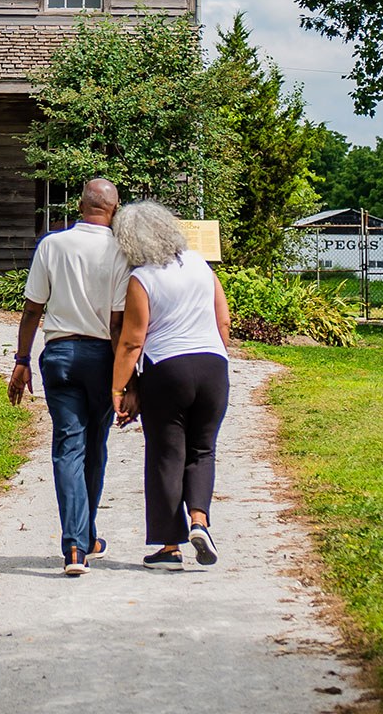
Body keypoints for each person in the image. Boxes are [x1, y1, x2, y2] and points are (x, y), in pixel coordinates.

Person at [7, 178, 129, 576]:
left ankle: (77, 546)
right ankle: (85, 536)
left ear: (80, 205)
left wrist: (22, 359)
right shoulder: (120, 251)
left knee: (67, 448)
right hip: (102, 355)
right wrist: (125, 376)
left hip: (59, 355)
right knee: (96, 447)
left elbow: (31, 309)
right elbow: (117, 321)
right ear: (114, 208)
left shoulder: (52, 245)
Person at [110, 200, 231, 570]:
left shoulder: (142, 279)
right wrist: (213, 360)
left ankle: (169, 548)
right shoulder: (200, 265)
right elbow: (223, 322)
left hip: (168, 369)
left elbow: (132, 340)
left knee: (166, 455)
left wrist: (118, 389)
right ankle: (200, 522)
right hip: (213, 365)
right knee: (202, 450)